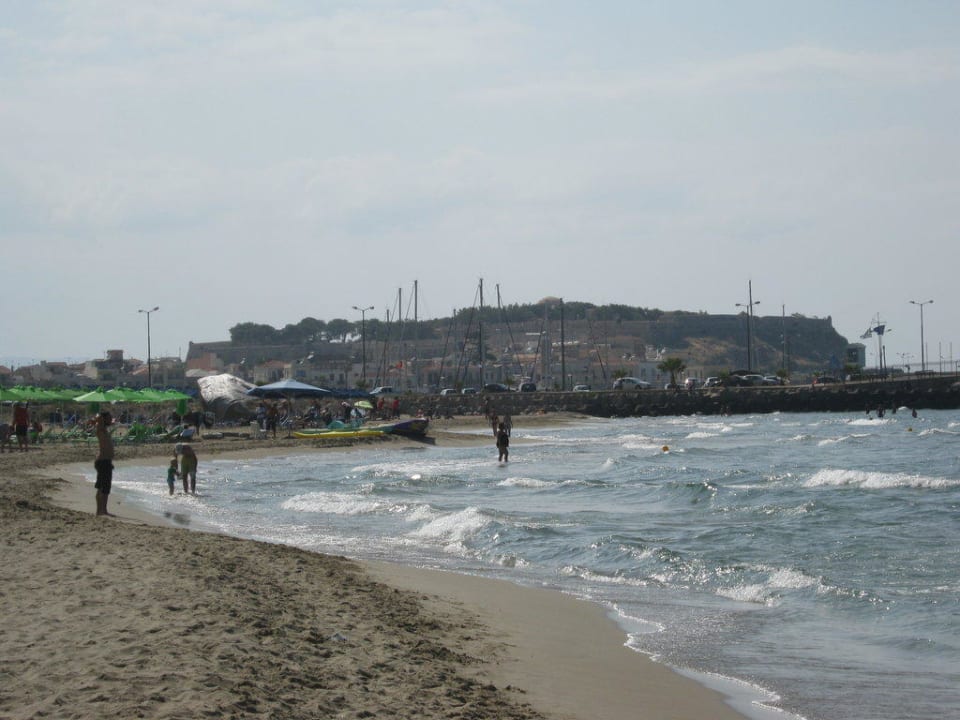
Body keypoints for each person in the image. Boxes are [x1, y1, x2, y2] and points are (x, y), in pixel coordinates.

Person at [94, 411, 115, 516]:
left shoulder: (105, 430)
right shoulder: (100, 429)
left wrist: (107, 418)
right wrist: (101, 417)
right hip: (103, 461)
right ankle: (100, 510)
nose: (111, 420)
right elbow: (97, 417)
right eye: (109, 418)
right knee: (102, 487)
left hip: (107, 461)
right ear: (103, 419)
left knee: (105, 487)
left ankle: (103, 510)